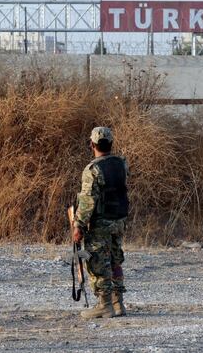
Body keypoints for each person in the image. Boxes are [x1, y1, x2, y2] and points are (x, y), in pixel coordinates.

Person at [72, 126, 129, 319]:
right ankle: (117, 302)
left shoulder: (92, 170)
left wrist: (78, 225)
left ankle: (104, 305)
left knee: (98, 262)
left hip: (101, 224)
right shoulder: (122, 163)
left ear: (92, 144)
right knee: (115, 259)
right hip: (119, 221)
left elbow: (88, 201)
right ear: (111, 143)